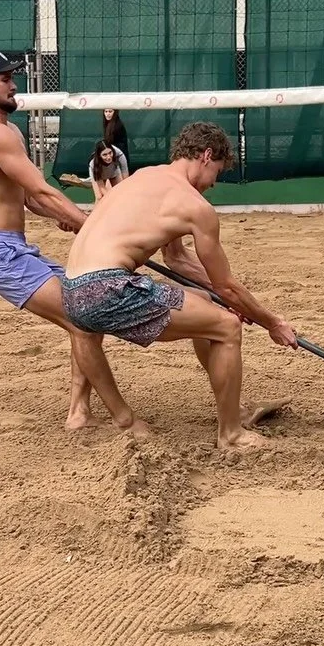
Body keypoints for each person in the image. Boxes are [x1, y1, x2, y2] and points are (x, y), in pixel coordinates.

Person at [61, 122, 298, 451]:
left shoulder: (143, 177)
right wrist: (271, 322)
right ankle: (232, 434)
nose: (214, 183)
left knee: (205, 304)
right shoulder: (195, 206)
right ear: (206, 155)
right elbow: (227, 285)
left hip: (72, 293)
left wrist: (222, 297)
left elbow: (177, 260)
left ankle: (234, 408)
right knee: (227, 327)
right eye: (217, 171)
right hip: (108, 288)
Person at [0, 48, 148, 437]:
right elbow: (42, 192)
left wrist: (70, 219)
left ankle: (80, 412)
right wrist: (89, 224)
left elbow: (28, 200)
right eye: (6, 79)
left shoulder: (9, 131)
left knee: (87, 313)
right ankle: (123, 419)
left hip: (14, 248)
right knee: (83, 318)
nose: (15, 85)